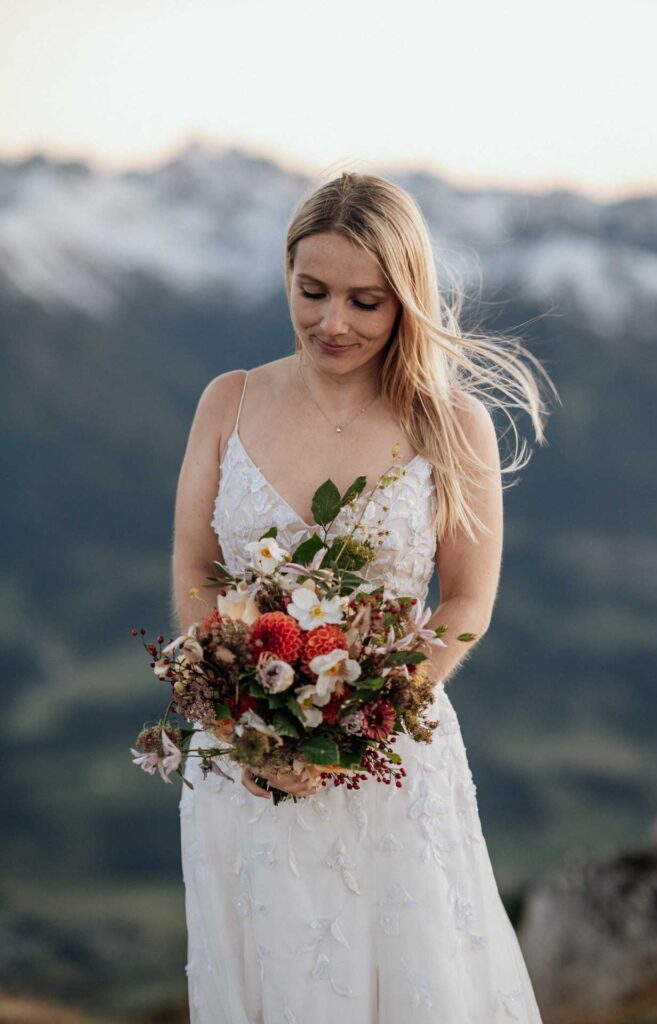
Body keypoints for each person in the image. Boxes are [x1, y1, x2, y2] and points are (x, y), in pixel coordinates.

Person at [172, 171, 556, 1022]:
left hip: (389, 765)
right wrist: (244, 718)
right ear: (286, 274)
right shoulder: (227, 401)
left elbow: (465, 603)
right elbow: (197, 572)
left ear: (404, 300)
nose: (332, 323)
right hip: (242, 764)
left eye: (365, 302)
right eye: (311, 292)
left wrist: (352, 728)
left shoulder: (450, 423)